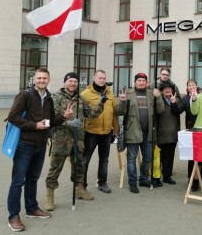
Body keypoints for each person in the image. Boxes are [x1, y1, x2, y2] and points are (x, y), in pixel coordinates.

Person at [6, 68, 74, 232]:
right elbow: (12, 117)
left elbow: (49, 122)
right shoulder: (25, 95)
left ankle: (31, 209)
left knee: (33, 179)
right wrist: (34, 126)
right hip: (24, 145)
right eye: (39, 78)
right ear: (34, 79)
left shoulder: (48, 98)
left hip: (41, 145)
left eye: (45, 78)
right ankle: (13, 216)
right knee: (17, 182)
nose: (42, 80)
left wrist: (64, 116)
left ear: (49, 80)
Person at [45, 72, 103, 211]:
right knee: (55, 168)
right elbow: (51, 120)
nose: (72, 84)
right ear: (65, 82)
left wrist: (102, 103)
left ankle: (79, 190)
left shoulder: (81, 99)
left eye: (75, 82)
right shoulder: (55, 98)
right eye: (70, 81)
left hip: (78, 139)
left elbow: (90, 114)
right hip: (61, 140)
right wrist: (68, 122)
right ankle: (49, 196)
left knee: (78, 167)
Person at [118, 72, 165, 193]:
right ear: (135, 82)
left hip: (148, 132)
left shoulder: (151, 94)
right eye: (139, 80)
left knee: (148, 158)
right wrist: (122, 101)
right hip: (132, 132)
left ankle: (143, 178)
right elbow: (119, 112)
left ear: (146, 82)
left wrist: (159, 97)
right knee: (132, 159)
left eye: (143, 81)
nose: (141, 82)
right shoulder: (128, 94)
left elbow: (160, 110)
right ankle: (132, 183)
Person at [81, 70, 120, 194]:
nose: (102, 80)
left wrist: (116, 129)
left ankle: (102, 183)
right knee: (85, 159)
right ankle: (82, 185)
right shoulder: (85, 94)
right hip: (91, 132)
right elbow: (82, 114)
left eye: (104, 78)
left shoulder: (110, 93)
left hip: (106, 132)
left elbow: (114, 113)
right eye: (100, 78)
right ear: (94, 78)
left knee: (104, 159)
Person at [157, 81, 182, 185]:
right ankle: (156, 177)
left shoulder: (177, 100)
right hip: (160, 133)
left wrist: (173, 103)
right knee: (159, 157)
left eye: (169, 88)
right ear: (162, 91)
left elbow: (179, 111)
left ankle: (167, 176)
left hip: (172, 133)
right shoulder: (158, 101)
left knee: (169, 157)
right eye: (165, 89)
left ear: (172, 90)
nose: (167, 90)